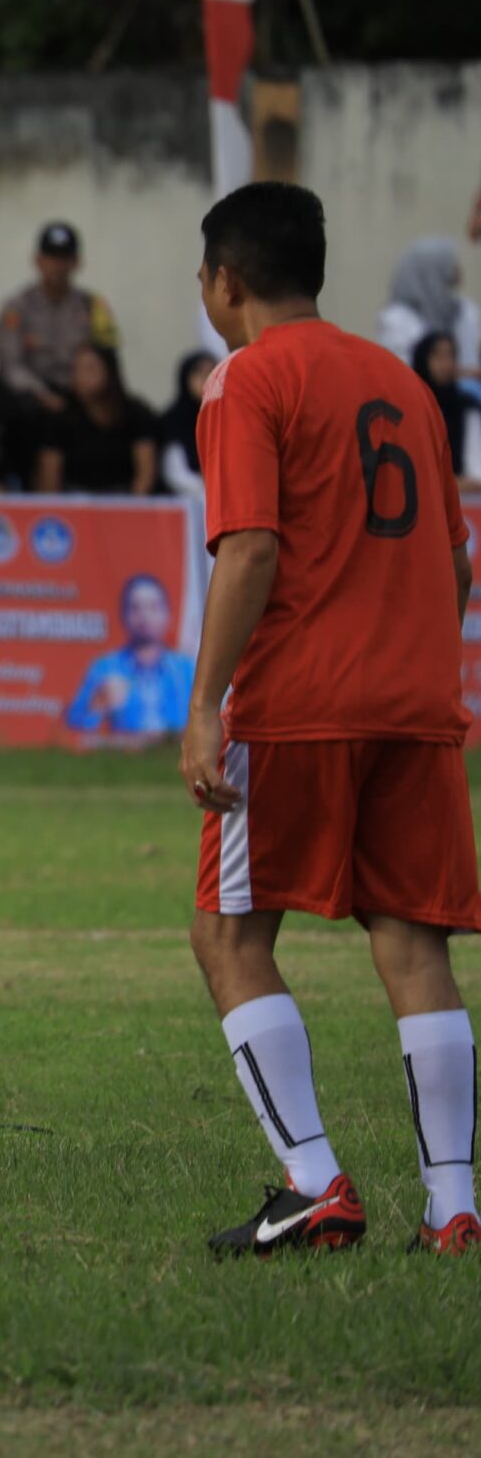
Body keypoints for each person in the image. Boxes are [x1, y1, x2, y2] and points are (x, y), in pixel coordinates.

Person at [180, 179, 479, 1258]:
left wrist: (206, 703)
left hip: (301, 703)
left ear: (225, 280)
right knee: (412, 942)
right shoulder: (402, 382)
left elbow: (249, 547)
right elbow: (453, 559)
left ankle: (313, 1185)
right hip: (416, 706)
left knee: (227, 933)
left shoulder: (244, 380)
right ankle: (454, 1206)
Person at [0, 223, 120, 487]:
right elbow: (11, 365)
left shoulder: (92, 306)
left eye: (65, 258)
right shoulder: (17, 307)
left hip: (81, 393)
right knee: (21, 414)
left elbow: (107, 357)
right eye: (52, 257)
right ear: (38, 261)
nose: (58, 265)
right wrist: (42, 394)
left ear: (76, 262)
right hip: (35, 396)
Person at [65, 574, 195, 737]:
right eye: (135, 608)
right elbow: (72, 727)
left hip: (174, 755)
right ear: (123, 615)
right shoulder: (105, 668)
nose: (144, 616)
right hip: (124, 756)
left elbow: (209, 720)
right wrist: (97, 704)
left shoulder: (186, 670)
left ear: (168, 614)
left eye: (153, 607)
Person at [40, 344, 156, 495]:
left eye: (90, 369)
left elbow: (145, 471)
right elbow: (50, 475)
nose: (81, 376)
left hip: (123, 499)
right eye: (75, 369)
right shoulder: (61, 415)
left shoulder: (135, 412)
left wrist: (133, 508)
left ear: (109, 371)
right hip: (75, 500)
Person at [376, 238, 479, 369]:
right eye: (449, 265)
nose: (456, 271)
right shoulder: (396, 320)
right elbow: (400, 369)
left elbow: (470, 362)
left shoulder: (465, 311)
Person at [414, 332, 481, 486]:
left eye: (451, 356)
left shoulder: (466, 407)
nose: (446, 364)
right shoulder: (411, 407)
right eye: (437, 356)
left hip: (464, 498)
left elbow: (475, 471)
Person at [156, 350, 212, 500]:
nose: (207, 379)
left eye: (212, 372)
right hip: (186, 502)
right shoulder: (175, 420)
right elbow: (175, 473)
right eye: (199, 373)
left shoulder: (229, 418)